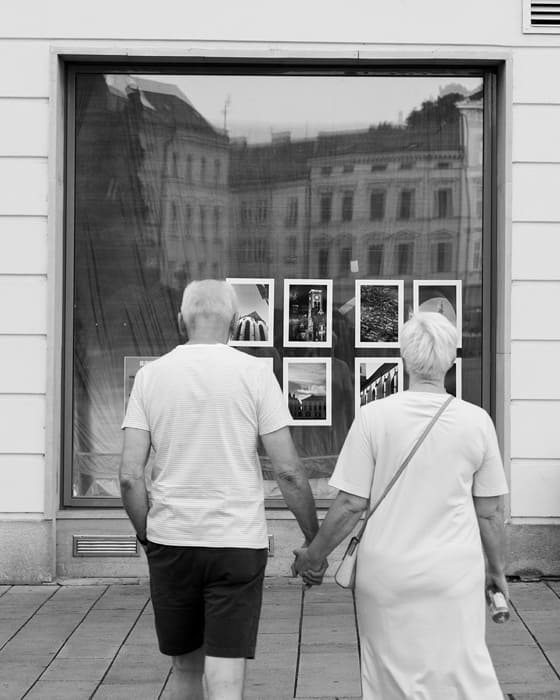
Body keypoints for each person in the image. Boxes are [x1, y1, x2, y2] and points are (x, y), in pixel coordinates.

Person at [119, 279, 320, 700]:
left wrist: (147, 533)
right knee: (225, 676)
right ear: (233, 322)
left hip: (172, 540)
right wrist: (313, 539)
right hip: (236, 541)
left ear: (181, 320)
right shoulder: (254, 374)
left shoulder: (150, 377)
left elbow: (130, 476)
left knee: (185, 669)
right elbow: (288, 471)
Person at [293, 311, 509, 700]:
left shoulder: (374, 418)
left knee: (389, 678)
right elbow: (491, 512)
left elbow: (349, 505)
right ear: (450, 359)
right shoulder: (477, 422)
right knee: (461, 674)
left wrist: (314, 555)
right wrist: (496, 571)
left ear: (404, 358)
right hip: (454, 573)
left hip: (386, 573)